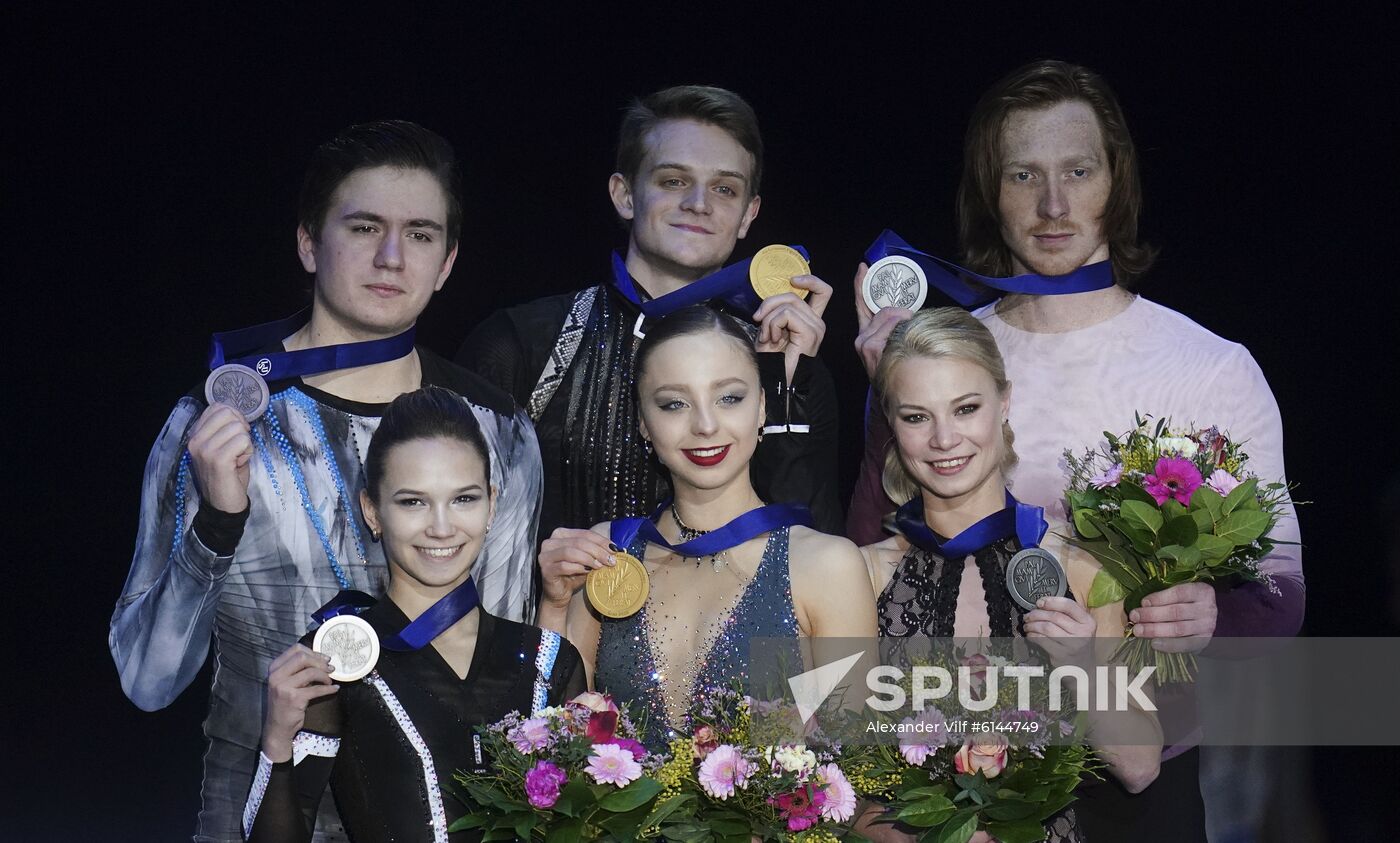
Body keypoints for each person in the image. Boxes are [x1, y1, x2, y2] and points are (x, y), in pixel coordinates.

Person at [847, 61, 1303, 840]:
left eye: (1078, 171)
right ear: (991, 189)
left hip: (1134, 775)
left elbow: (1281, 595)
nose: (1053, 205)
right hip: (958, 769)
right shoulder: (947, 354)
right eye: (1024, 174)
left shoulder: (1209, 365)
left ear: (1116, 180)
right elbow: (866, 556)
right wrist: (886, 399)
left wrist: (1212, 612)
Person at [109, 122, 543, 842]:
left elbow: (499, 684)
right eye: (365, 226)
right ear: (309, 242)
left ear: (447, 261)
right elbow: (146, 681)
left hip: (436, 818)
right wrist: (216, 526)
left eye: (422, 234)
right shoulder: (213, 421)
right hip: (252, 813)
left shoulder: (496, 431)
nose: (392, 256)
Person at [457, 84, 844, 547]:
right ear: (624, 195)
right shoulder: (522, 344)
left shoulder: (782, 357)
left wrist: (785, 390)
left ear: (748, 215)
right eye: (674, 181)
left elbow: (813, 552)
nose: (699, 203)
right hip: (556, 616)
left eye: (724, 188)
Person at [852, 308, 1161, 843]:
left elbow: (1140, 768)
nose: (945, 439)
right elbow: (818, 779)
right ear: (892, 423)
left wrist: (1081, 668)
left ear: (1005, 401)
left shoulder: (1083, 568)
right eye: (916, 416)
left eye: (966, 408)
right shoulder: (860, 576)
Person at [243, 386, 584, 842]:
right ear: (372, 510)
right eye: (412, 502)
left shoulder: (550, 659)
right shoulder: (333, 661)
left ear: (492, 503)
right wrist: (276, 743)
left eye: (463, 499)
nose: (441, 527)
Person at [538, 306, 876, 750]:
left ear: (762, 408)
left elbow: (853, 765)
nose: (705, 425)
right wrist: (555, 604)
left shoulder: (825, 565)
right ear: (643, 421)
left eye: (729, 397)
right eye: (674, 404)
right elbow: (552, 745)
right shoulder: (608, 551)